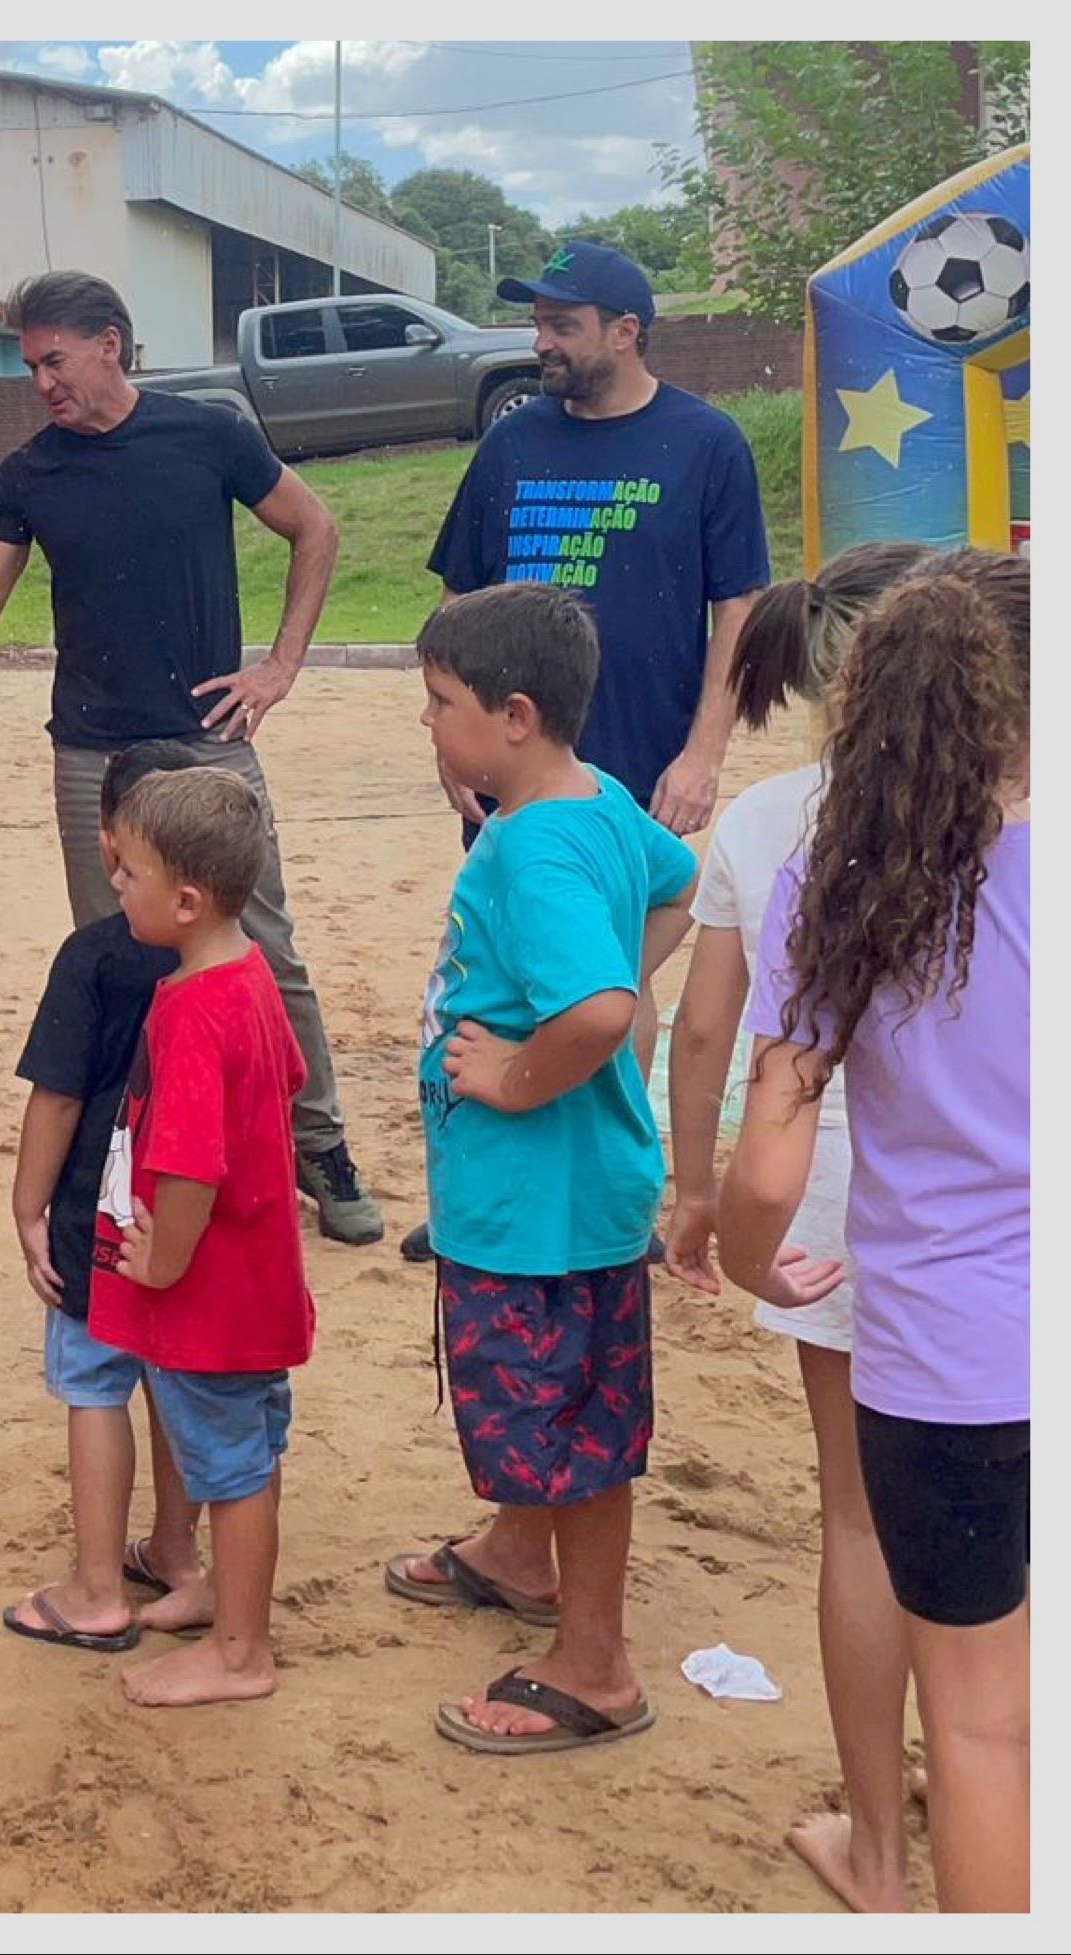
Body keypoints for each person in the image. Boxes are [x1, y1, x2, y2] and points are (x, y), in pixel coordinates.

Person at [0, 271, 381, 1247]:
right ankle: (152, 1155)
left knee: (268, 951)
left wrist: (281, 664)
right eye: (32, 363)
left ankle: (318, 1142)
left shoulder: (207, 432)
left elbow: (314, 526)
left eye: (54, 359)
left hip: (209, 742)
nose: (40, 380)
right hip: (91, 752)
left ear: (112, 346)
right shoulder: (30, 474)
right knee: (122, 960)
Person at [719, 552, 1027, 1913]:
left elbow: (770, 1153)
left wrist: (736, 1257)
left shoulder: (833, 882)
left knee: (978, 1728)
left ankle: (879, 1857)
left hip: (947, 1366)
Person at [660, 541, 932, 1910]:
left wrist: (696, 1189)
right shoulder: (1005, 807)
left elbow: (703, 1023)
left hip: (823, 1181)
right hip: (975, 1189)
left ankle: (875, 1846)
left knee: (863, 1515)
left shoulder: (768, 822)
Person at [415, 238, 770, 1261]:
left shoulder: (706, 444)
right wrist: (448, 732)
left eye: (562, 326)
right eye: (538, 324)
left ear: (627, 331)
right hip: (506, 757)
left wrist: (703, 748)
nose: (542, 345)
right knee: (503, 961)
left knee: (615, 987)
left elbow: (736, 607)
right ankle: (497, 1184)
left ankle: (611, 1198)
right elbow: (459, 595)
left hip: (637, 753)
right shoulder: (514, 443)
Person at [391, 582, 698, 1757]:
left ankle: (595, 1663)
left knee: (568, 1425)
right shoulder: (601, 799)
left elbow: (604, 1005)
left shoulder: (529, 850)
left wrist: (518, 1074)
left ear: (514, 715)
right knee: (554, 1411)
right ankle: (520, 1553)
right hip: (565, 1196)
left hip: (539, 1207)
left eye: (441, 701)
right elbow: (680, 884)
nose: (427, 721)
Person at [81, 767, 316, 1707]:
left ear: (184, 900)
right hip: (258, 1277)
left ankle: (239, 1651)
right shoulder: (249, 970)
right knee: (248, 1455)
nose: (116, 887)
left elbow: (190, 1166)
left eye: (127, 872)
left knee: (232, 1467)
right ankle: (229, 1597)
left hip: (214, 1295)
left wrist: (163, 1260)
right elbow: (290, 1078)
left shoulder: (192, 1010)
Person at [0, 739, 216, 1658]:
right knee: (172, 1385)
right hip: (185, 1219)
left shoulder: (91, 957)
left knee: (95, 1387)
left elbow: (56, 1095)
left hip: (100, 1214)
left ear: (110, 842)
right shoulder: (225, 970)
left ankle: (95, 1587)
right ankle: (175, 1547)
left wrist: (27, 1207)